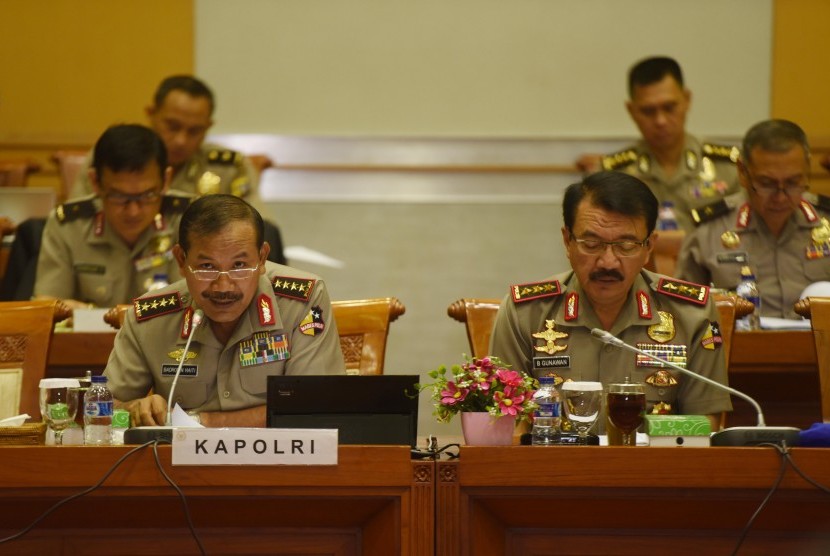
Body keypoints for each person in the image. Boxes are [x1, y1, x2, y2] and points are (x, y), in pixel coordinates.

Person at [489, 171, 732, 430]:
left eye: (626, 246)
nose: (608, 262)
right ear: (567, 241)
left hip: (654, 468)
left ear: (649, 246)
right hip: (555, 469)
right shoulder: (525, 313)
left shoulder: (692, 313)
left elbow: (705, 422)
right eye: (591, 243)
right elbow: (506, 425)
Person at [104, 194, 345, 427]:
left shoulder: (302, 300)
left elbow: (314, 406)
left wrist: (197, 422)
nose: (223, 286)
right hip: (179, 466)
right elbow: (100, 408)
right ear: (181, 260)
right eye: (207, 267)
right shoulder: (150, 317)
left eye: (239, 265)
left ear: (262, 259)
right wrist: (132, 410)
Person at [676, 119, 830, 319]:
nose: (781, 196)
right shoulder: (709, 230)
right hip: (739, 348)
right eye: (767, 183)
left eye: (793, 182)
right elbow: (682, 310)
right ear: (742, 172)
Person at [34, 124, 192, 310]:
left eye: (147, 195)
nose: (133, 211)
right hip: (90, 339)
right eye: (119, 196)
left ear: (166, 180)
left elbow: (198, 304)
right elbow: (47, 306)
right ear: (95, 182)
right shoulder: (69, 225)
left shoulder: (190, 220)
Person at [576, 56, 741, 233]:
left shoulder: (730, 168)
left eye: (669, 107)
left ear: (687, 100)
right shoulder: (612, 175)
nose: (660, 121)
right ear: (631, 111)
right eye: (648, 111)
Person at [69, 75, 258, 203]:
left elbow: (259, 230)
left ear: (208, 127)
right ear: (151, 114)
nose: (181, 141)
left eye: (194, 131)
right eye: (172, 126)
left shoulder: (229, 169)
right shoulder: (111, 157)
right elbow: (79, 224)